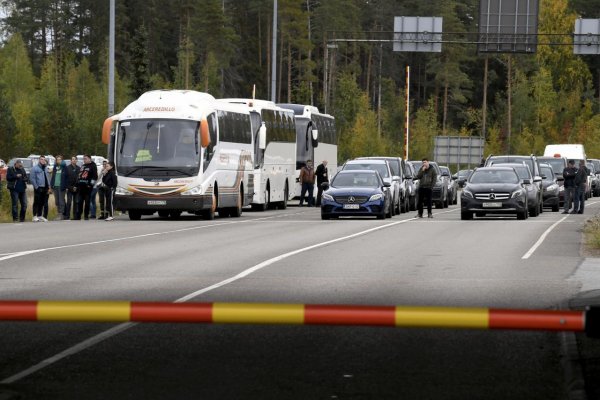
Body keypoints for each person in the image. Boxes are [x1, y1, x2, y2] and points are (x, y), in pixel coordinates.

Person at [75, 154, 98, 220]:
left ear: (89, 159)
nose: (84, 160)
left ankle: (86, 215)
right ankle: (78, 215)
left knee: (87, 202)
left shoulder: (93, 166)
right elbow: (80, 175)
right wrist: (77, 184)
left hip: (87, 187)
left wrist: (90, 185)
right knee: (79, 202)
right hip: (81, 186)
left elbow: (95, 177)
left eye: (85, 158)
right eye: (83, 159)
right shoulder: (83, 166)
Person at [30, 155, 52, 222]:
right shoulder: (34, 168)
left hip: (45, 188)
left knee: (42, 202)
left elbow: (48, 178)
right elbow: (32, 179)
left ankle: (39, 215)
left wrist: (49, 186)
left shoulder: (45, 168)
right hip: (39, 187)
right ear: (39, 160)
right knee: (36, 202)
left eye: (44, 159)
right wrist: (36, 187)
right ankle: (34, 216)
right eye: (41, 159)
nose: (43, 160)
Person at [50, 155, 69, 220]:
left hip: (62, 186)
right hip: (55, 186)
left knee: (61, 201)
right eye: (57, 159)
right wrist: (51, 185)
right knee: (57, 201)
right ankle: (58, 213)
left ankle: (61, 214)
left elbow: (67, 178)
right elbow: (53, 177)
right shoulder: (55, 167)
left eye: (60, 159)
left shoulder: (65, 167)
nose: (58, 161)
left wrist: (66, 186)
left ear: (62, 160)